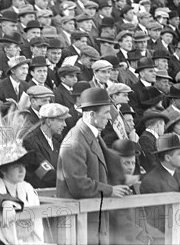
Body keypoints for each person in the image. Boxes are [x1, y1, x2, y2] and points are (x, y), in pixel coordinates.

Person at [57, 87, 132, 244]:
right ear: (91, 115)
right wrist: (110, 190)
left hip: (93, 217)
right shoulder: (74, 142)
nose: (109, 117)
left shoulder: (92, 135)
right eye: (105, 113)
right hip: (81, 222)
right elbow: (78, 185)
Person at [0, 141, 43, 244]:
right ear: (3, 170)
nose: (22, 170)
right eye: (16, 166)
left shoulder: (28, 189)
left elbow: (37, 224)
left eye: (23, 165)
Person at [23, 103, 69, 188]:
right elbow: (45, 175)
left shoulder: (56, 143)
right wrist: (72, 180)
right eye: (61, 120)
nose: (65, 124)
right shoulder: (30, 142)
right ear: (48, 121)